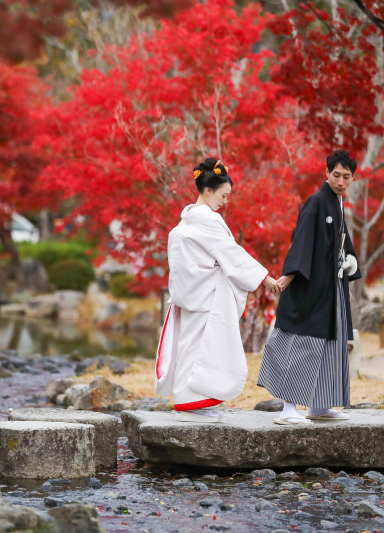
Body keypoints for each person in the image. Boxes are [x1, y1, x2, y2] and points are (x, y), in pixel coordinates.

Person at [155, 157, 282, 423]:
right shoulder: (206, 221)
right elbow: (230, 254)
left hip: (192, 293)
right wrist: (265, 278)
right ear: (208, 190)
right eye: (223, 195)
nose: (225, 201)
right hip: (206, 295)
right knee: (201, 348)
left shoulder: (186, 221)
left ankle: (190, 400)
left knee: (192, 346)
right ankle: (190, 401)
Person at [257, 150, 362, 425]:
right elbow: (301, 241)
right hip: (311, 286)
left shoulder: (337, 204)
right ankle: (288, 409)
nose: (340, 181)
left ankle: (320, 405)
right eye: (336, 175)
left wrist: (348, 273)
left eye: (346, 176)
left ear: (352, 178)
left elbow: (343, 246)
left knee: (331, 343)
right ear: (326, 174)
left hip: (332, 287)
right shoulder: (316, 202)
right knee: (303, 343)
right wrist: (289, 277)